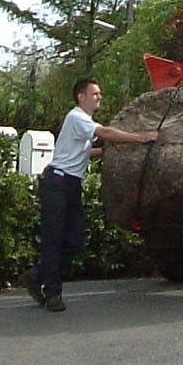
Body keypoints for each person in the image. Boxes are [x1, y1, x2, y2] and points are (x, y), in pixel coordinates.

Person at [20, 78, 158, 312]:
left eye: (99, 94)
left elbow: (85, 152)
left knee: (75, 241)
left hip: (71, 185)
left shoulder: (83, 123)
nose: (99, 97)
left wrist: (110, 152)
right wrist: (141, 137)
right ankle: (52, 294)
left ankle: (37, 274)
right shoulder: (77, 117)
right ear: (80, 97)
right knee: (54, 239)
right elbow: (104, 133)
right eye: (94, 94)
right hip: (58, 183)